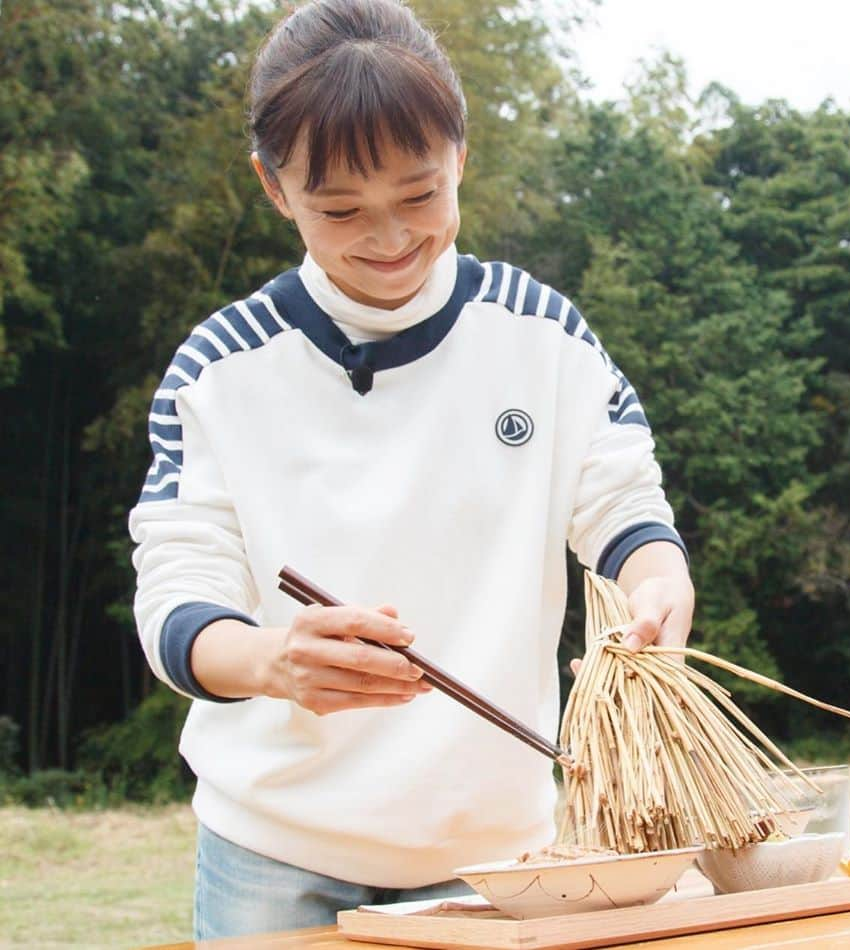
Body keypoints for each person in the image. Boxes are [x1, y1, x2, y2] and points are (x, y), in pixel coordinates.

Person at [128, 0, 695, 938]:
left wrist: (658, 582)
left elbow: (623, 502)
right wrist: (275, 661)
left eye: (420, 195)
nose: (388, 237)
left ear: (461, 156)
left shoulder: (542, 336)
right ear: (275, 189)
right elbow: (176, 602)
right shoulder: (221, 370)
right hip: (275, 858)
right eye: (340, 209)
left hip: (501, 862)